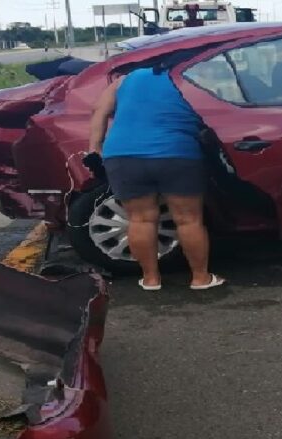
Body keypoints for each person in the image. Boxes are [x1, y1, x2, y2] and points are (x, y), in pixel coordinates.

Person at [88, 66, 225, 291]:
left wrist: (94, 148)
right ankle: (200, 278)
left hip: (123, 155)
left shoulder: (124, 80)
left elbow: (99, 110)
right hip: (177, 153)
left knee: (140, 219)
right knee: (188, 219)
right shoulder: (192, 74)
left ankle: (151, 279)